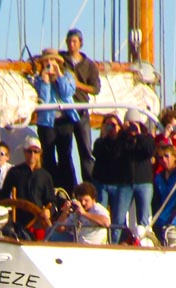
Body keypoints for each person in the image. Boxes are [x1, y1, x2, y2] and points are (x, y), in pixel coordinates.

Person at [33, 48, 79, 191]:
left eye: (52, 61)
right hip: (47, 122)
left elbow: (67, 92)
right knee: (48, 156)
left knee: (65, 155)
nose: (49, 64)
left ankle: (69, 189)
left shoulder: (68, 76)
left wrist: (58, 75)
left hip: (64, 120)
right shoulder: (38, 79)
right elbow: (44, 100)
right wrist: (45, 82)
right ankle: (51, 187)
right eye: (46, 62)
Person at [61, 28, 101, 183]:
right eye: (69, 41)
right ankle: (69, 185)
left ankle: (89, 185)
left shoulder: (89, 65)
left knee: (85, 150)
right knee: (65, 152)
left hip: (81, 110)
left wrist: (77, 85)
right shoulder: (61, 60)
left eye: (75, 41)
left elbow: (95, 89)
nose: (71, 44)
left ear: (80, 44)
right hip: (64, 111)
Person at [109, 109, 155, 243]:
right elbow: (115, 154)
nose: (132, 128)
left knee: (144, 219)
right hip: (125, 183)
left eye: (135, 124)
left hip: (144, 182)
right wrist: (123, 134)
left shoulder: (147, 138)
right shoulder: (122, 140)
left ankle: (143, 243)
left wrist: (139, 134)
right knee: (118, 218)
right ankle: (115, 244)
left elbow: (149, 151)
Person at [0, 136, 58, 239]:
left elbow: (51, 201)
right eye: (29, 151)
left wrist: (49, 211)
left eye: (36, 151)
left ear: (40, 153)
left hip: (38, 224)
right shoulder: (14, 172)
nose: (32, 155)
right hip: (17, 223)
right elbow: (3, 195)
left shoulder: (45, 176)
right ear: (24, 152)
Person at [92, 114, 125, 208]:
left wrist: (120, 134)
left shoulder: (123, 142)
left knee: (118, 215)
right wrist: (104, 136)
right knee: (101, 210)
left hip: (118, 183)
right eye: (108, 125)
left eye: (113, 125)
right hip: (102, 182)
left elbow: (117, 154)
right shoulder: (99, 142)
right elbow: (97, 153)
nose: (110, 128)